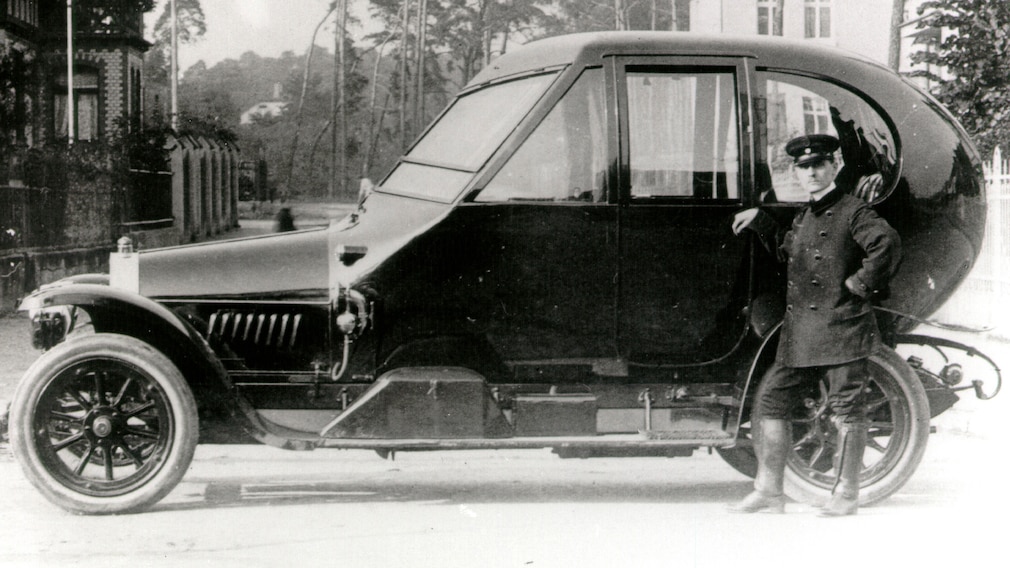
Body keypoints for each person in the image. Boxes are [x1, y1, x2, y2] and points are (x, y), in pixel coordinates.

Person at [728, 134, 902, 517]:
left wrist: (859, 284)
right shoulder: (805, 215)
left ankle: (846, 494)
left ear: (833, 167)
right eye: (804, 167)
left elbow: (885, 243)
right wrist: (760, 220)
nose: (811, 173)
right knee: (772, 402)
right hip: (803, 331)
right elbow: (788, 251)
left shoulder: (853, 210)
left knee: (847, 411)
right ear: (797, 172)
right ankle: (770, 491)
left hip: (842, 328)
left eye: (819, 165)